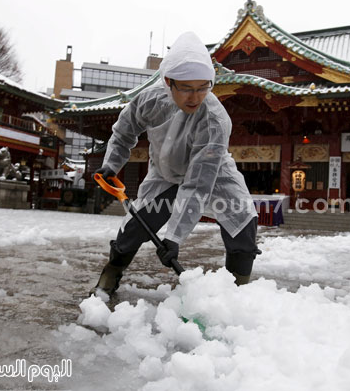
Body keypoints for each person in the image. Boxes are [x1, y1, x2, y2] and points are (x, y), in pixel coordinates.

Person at [91, 31, 260, 297]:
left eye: (203, 87)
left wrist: (175, 237)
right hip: (165, 175)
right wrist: (111, 164)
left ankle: (236, 294)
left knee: (243, 224)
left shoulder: (215, 120)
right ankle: (110, 275)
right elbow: (124, 132)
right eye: (186, 88)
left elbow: (197, 183)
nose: (195, 97)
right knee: (134, 228)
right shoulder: (149, 100)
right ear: (168, 82)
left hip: (215, 176)